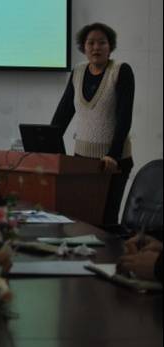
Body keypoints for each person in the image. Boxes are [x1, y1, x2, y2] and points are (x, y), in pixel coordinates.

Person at [51, 23, 135, 226]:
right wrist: (47, 143)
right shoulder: (78, 71)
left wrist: (113, 155)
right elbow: (63, 113)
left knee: (106, 222)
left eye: (102, 43)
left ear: (110, 46)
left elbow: (124, 117)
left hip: (112, 162)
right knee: (81, 219)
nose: (96, 47)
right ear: (83, 47)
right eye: (91, 43)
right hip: (81, 160)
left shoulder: (120, 71)